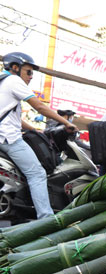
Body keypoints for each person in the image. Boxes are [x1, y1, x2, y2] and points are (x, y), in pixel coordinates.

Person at [0, 52, 77, 219]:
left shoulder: (2, 82)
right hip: (8, 139)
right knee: (37, 173)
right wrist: (66, 123)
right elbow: (39, 107)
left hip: (3, 136)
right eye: (29, 72)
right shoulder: (14, 81)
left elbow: (13, 118)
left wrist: (34, 130)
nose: (31, 76)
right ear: (15, 68)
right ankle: (45, 217)